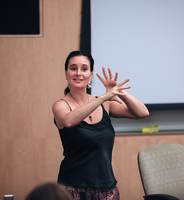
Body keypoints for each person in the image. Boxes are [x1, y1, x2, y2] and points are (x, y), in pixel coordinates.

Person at [52, 51, 149, 200]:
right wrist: (104, 97)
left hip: (107, 188)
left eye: (84, 69)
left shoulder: (105, 104)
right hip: (72, 188)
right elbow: (68, 121)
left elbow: (142, 112)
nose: (78, 73)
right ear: (66, 74)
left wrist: (118, 91)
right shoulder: (60, 105)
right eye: (73, 68)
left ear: (90, 75)